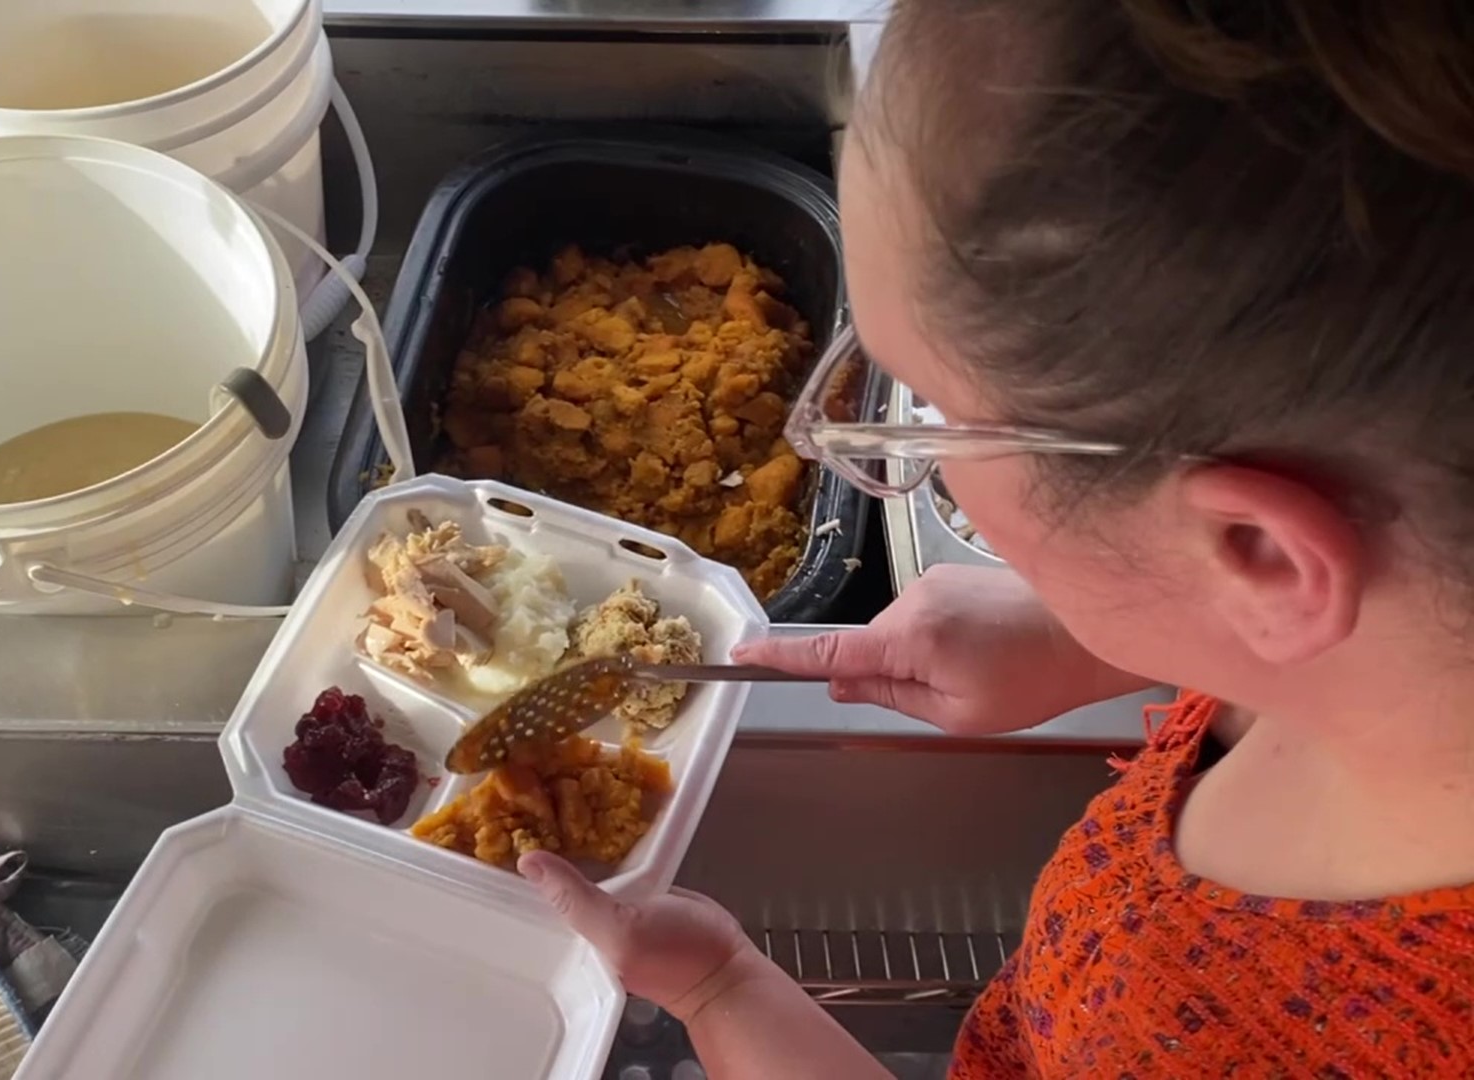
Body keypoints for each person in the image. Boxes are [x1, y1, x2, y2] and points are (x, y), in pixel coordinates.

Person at [519, 0, 1474, 1075]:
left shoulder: (1264, 1033)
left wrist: (722, 992)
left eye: (924, 405)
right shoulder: (1401, 633)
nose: (899, 441)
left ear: (1255, 554)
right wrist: (1091, 641)